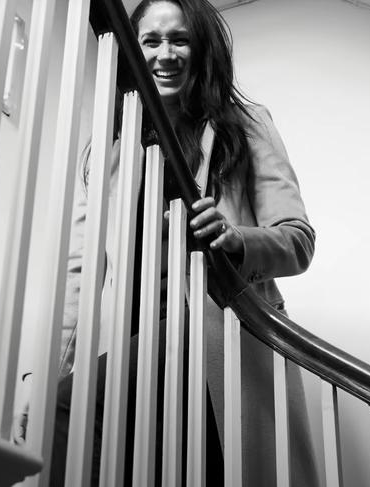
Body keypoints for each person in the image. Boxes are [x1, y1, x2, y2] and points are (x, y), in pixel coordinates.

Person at [47, 0, 319, 485]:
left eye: (180, 39)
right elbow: (80, 271)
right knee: (68, 409)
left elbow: (297, 241)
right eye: (150, 41)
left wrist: (235, 240)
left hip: (219, 341)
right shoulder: (110, 149)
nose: (165, 53)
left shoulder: (248, 124)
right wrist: (45, 375)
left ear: (202, 48)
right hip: (136, 342)